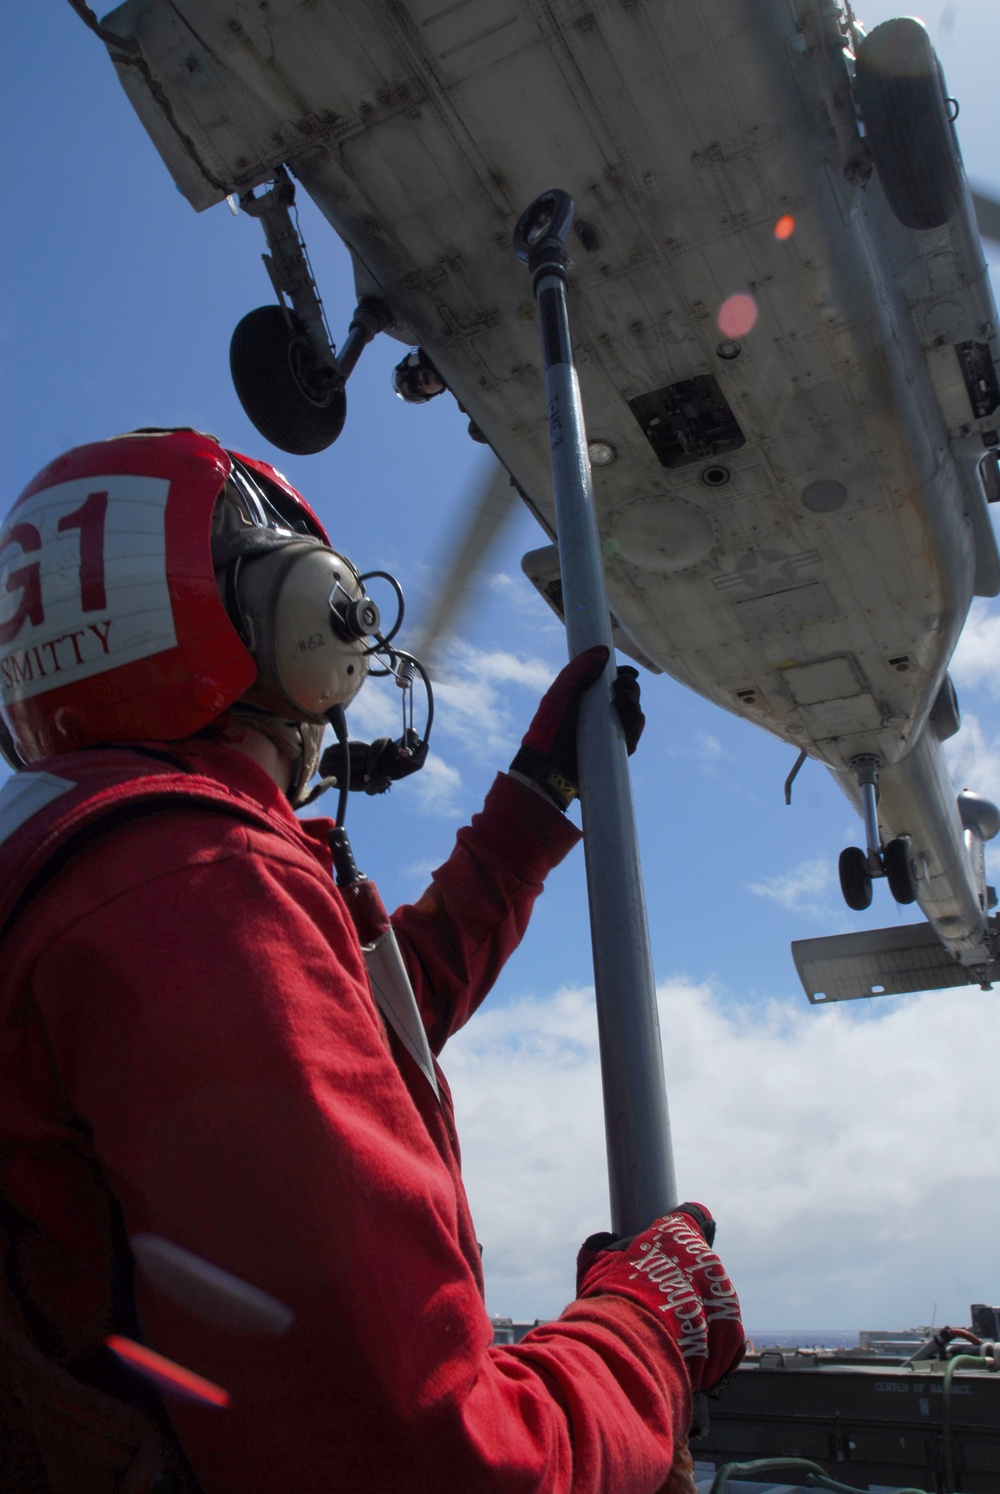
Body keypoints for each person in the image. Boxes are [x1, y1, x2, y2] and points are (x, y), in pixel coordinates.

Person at [0, 428, 745, 1493]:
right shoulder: (196, 885)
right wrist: (646, 1323)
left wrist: (533, 802)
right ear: (301, 608)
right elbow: (430, 1458)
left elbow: (353, 1030)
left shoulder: (96, 866)